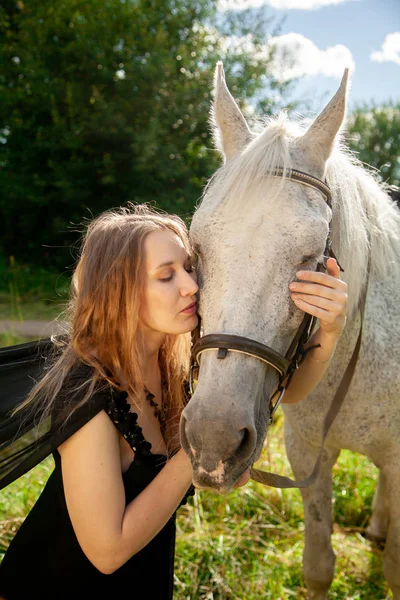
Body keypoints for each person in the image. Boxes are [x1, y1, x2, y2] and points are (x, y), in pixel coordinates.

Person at [0, 203, 348, 599]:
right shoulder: (87, 394)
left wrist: (329, 330)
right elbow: (107, 551)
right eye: (166, 276)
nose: (191, 286)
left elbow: (290, 392)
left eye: (188, 267)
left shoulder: (176, 364)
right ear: (119, 291)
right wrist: (198, 447)